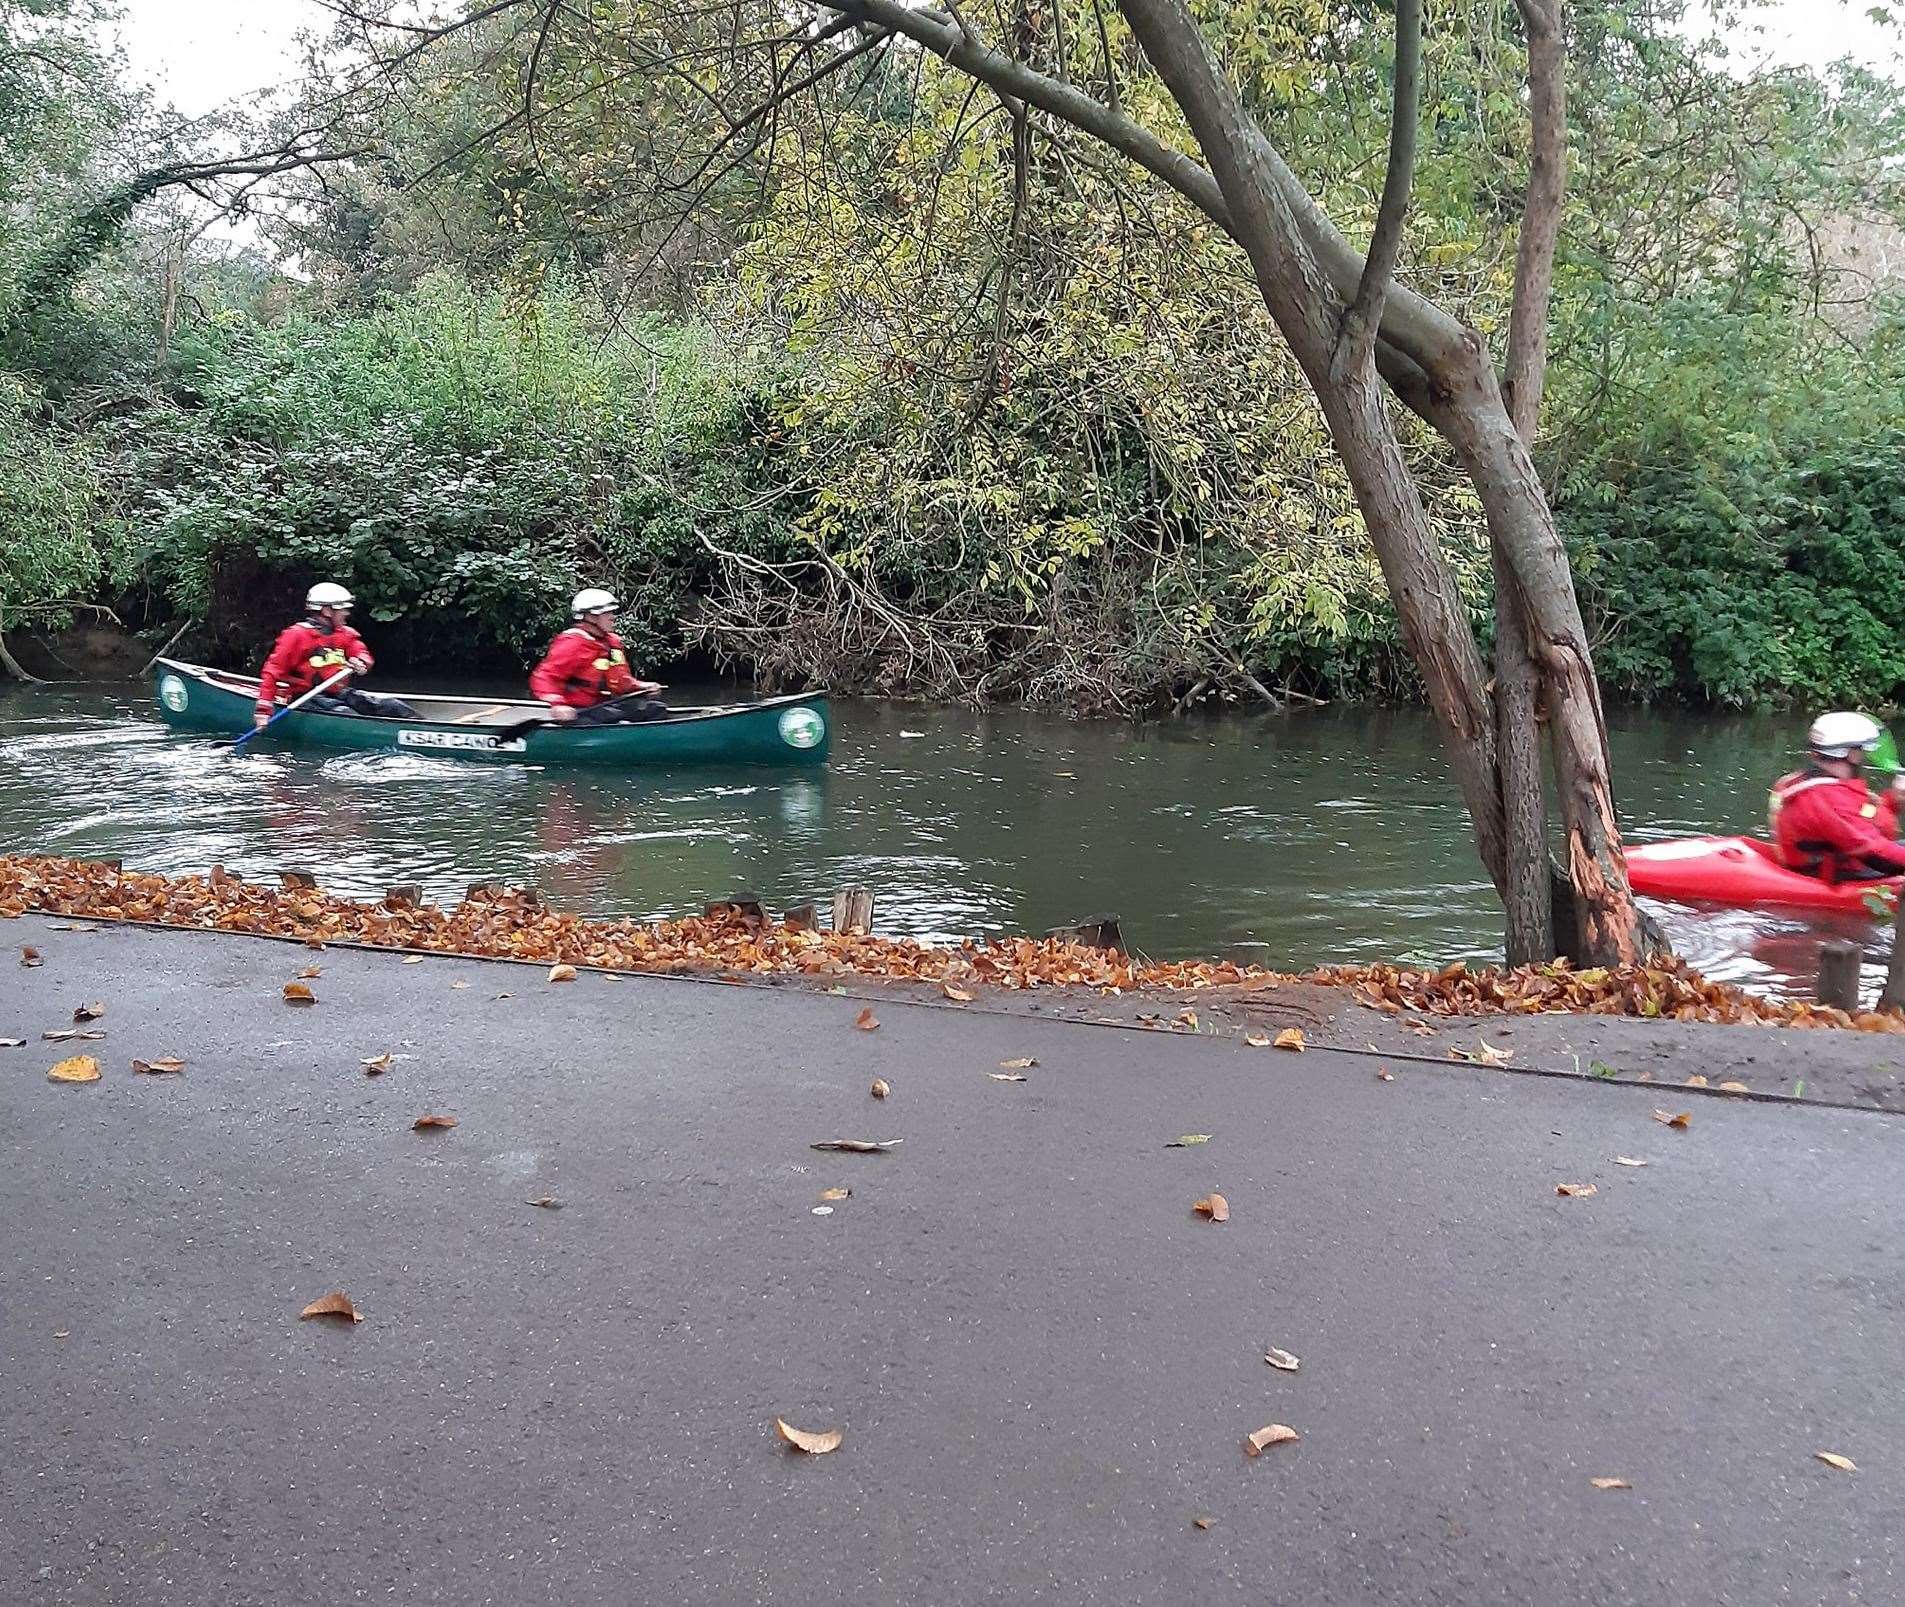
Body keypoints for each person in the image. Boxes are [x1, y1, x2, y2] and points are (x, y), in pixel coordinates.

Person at [251, 582, 418, 730]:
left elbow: (361, 652)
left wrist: (360, 661)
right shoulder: (296, 635)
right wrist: (263, 711)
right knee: (346, 715)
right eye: (342, 609)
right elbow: (272, 672)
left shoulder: (345, 633)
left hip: (338, 692)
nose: (346, 613)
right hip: (305, 697)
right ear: (326, 611)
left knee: (393, 706)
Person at [1768, 711, 1905, 882]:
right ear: (1851, 754)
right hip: (1835, 874)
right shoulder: (1829, 799)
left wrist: (1894, 799)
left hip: (1839, 861)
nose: (1864, 755)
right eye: (1861, 750)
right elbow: (1876, 855)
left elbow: (1863, 816)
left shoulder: (1805, 783)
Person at [528, 589, 667, 726]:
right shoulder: (572, 643)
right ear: (591, 617)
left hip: (600, 705)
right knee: (608, 717)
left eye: (612, 612)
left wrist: (641, 686)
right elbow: (544, 677)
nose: (613, 617)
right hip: (577, 710)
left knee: (654, 708)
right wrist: (558, 705)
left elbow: (620, 681)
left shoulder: (612, 642)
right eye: (607, 613)